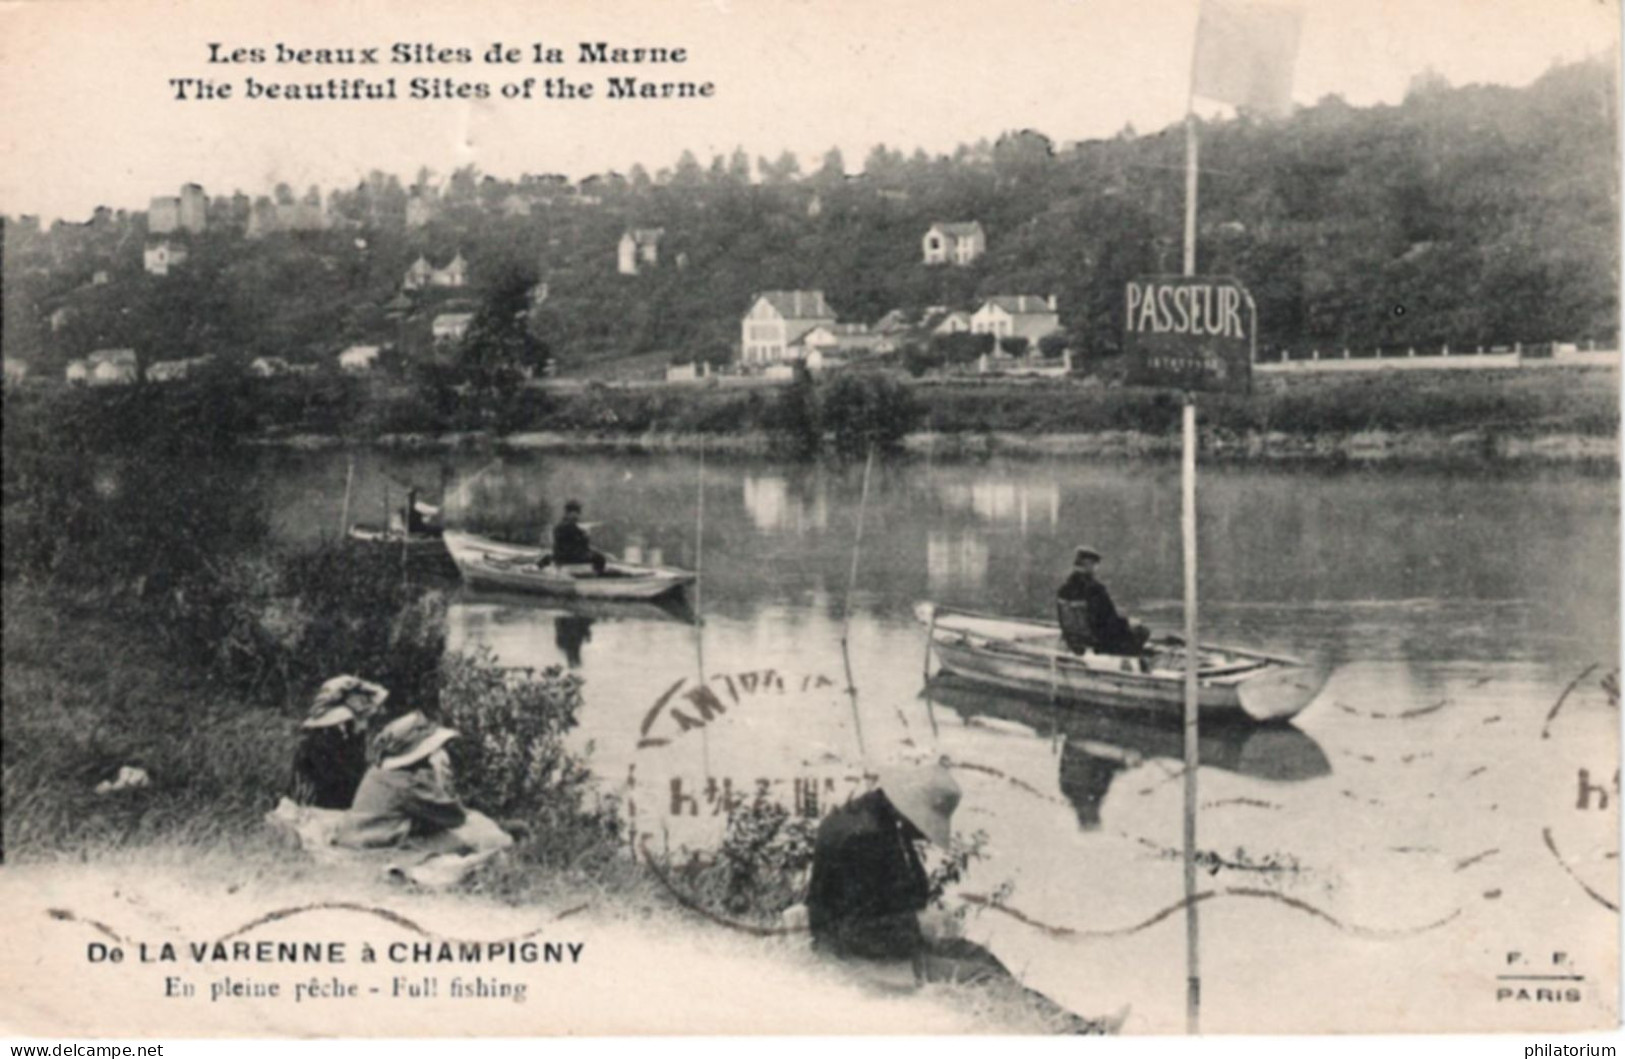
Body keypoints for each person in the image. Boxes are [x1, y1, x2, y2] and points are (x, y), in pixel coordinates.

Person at [805, 762, 1122, 1032]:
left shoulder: (868, 817)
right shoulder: (868, 839)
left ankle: (1072, 1027)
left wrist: (919, 919)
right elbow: (854, 931)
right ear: (909, 808)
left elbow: (873, 900)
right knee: (980, 975)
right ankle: (1064, 1033)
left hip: (871, 940)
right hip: (855, 955)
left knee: (977, 954)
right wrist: (918, 924)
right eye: (924, 824)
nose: (923, 834)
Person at [333, 711, 505, 854]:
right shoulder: (409, 784)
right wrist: (440, 775)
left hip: (359, 838)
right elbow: (455, 817)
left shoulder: (379, 772)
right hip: (381, 846)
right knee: (482, 835)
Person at [288, 675, 390, 810]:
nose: (365, 725)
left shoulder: (344, 739)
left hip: (334, 803)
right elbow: (342, 784)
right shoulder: (320, 744)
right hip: (320, 809)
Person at [1056, 546, 1150, 657]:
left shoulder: (1063, 590)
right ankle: (1133, 664)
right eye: (1096, 565)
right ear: (1089, 565)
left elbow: (1063, 621)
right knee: (1142, 631)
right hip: (1099, 641)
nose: (1096, 569)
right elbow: (1109, 622)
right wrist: (1128, 623)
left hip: (1074, 639)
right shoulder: (1096, 589)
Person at [550, 499, 607, 574]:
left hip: (563, 555)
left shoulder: (561, 525)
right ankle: (598, 576)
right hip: (569, 556)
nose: (577, 516)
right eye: (576, 513)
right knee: (600, 558)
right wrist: (586, 534)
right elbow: (581, 544)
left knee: (597, 554)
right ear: (570, 513)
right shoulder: (568, 526)